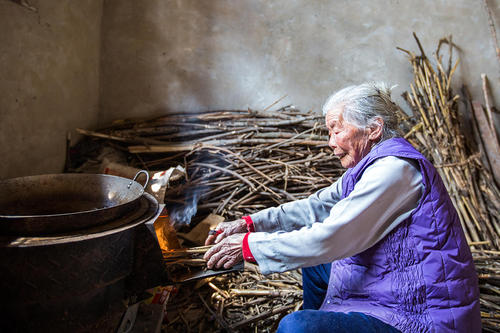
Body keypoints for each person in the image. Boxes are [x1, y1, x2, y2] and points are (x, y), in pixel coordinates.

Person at [203, 82, 481, 333]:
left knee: (296, 328)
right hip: (386, 287)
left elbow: (332, 238)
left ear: (374, 129)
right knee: (317, 266)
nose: (331, 142)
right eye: (329, 132)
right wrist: (250, 224)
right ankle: (326, 319)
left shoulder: (395, 172)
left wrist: (250, 247)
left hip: (420, 312)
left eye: (337, 130)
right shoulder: (369, 168)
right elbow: (319, 205)